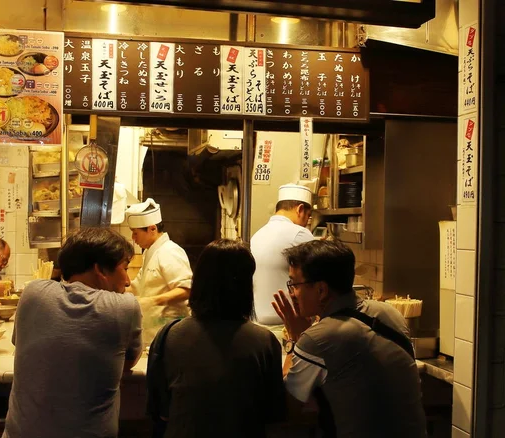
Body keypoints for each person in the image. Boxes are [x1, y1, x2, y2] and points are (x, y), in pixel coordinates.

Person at [272, 240, 427, 438]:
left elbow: (288, 410)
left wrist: (295, 338)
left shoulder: (317, 339)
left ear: (321, 290)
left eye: (294, 284)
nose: (291, 293)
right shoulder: (390, 313)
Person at [4, 227, 142, 438]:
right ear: (101, 270)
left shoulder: (32, 292)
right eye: (125, 268)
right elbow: (128, 362)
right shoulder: (124, 307)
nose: (128, 281)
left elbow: (24, 345)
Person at [148, 239, 285, 438]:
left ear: (199, 282)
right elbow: (274, 414)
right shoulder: (264, 341)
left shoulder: (169, 335)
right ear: (246, 286)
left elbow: (161, 412)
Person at [127, 198, 192, 343]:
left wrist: (153, 301)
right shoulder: (149, 253)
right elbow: (138, 286)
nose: (133, 238)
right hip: (153, 332)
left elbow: (186, 290)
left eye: (135, 233)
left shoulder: (170, 251)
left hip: (170, 333)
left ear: (152, 229)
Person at [251, 183, 314, 325]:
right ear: (300, 209)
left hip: (257, 321)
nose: (306, 223)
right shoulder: (299, 233)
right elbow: (316, 277)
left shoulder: (257, 235)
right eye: (308, 216)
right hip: (287, 324)